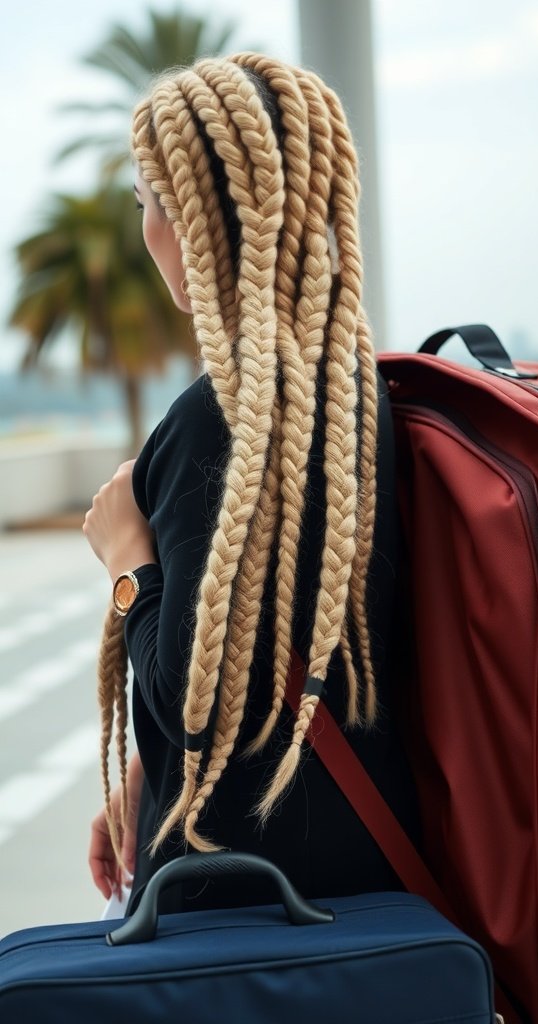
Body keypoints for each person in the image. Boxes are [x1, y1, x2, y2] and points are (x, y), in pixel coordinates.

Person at [83, 51, 420, 915]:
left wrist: (128, 559)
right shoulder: (360, 400)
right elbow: (273, 660)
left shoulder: (214, 420)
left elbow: (186, 697)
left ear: (188, 223)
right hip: (365, 909)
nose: (146, 228)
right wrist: (147, 775)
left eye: (145, 204)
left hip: (235, 922)